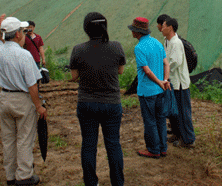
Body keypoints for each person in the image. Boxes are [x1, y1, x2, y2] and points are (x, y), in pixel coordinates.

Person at [70, 12, 126, 186]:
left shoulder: (78, 49)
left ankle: (91, 182)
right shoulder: (116, 47)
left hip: (87, 104)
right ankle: (117, 182)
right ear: (105, 27)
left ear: (86, 29)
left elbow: (74, 76)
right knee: (113, 144)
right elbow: (121, 71)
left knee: (88, 145)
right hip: (111, 104)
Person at [0, 15, 47, 186]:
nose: (24, 33)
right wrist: (39, 106)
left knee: (8, 139)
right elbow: (32, 85)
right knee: (24, 138)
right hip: (22, 99)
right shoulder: (24, 55)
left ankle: (10, 175)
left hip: (5, 97)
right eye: (23, 31)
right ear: (17, 35)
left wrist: (1, 27)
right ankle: (24, 175)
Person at [128, 17, 171, 159]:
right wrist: (164, 81)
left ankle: (153, 150)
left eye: (133, 30)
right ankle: (163, 148)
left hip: (147, 91)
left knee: (150, 121)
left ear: (137, 32)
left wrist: (158, 82)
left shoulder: (139, 48)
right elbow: (166, 64)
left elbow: (146, 71)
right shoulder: (157, 43)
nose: (132, 32)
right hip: (161, 91)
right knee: (160, 119)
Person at [161, 17, 196, 148]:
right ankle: (180, 135)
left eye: (163, 26)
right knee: (176, 111)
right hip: (174, 83)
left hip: (180, 83)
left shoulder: (175, 43)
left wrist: (164, 73)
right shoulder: (168, 41)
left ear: (170, 28)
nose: (161, 29)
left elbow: (175, 62)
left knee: (183, 111)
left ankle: (188, 140)